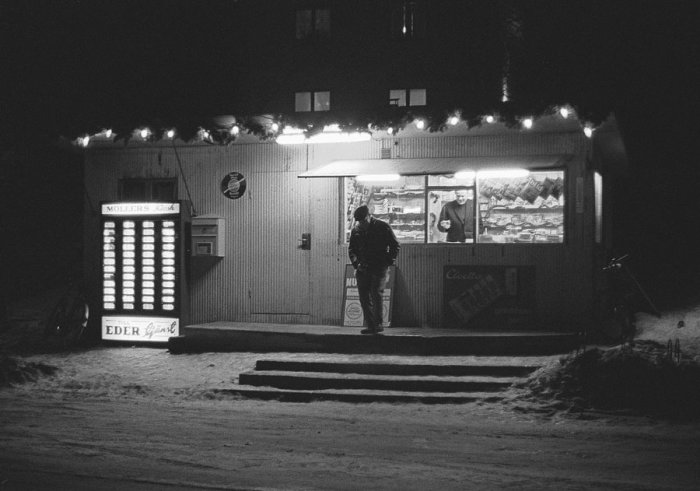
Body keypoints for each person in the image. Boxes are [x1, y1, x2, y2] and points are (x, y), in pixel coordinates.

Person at [348, 205, 400, 334]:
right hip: (363, 268)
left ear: (369, 216)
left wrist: (387, 262)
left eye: (363, 221)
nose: (362, 224)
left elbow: (395, 245)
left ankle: (378, 324)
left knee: (376, 295)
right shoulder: (356, 230)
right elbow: (351, 249)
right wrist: (356, 264)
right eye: (359, 221)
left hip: (378, 267)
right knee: (364, 297)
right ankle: (371, 325)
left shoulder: (382, 227)